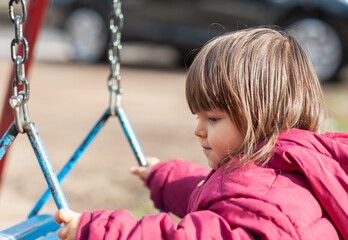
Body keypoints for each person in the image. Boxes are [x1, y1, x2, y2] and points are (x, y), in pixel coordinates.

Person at [54, 26, 348, 239]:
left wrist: (96, 230)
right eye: (199, 117)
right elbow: (220, 197)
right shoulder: (291, 169)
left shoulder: (266, 206)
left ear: (265, 120)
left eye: (213, 118)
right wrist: (167, 178)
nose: (199, 130)